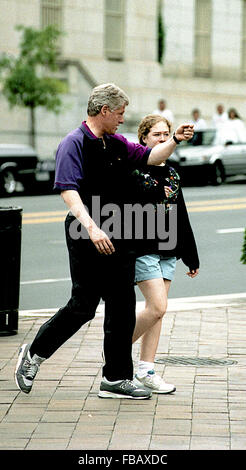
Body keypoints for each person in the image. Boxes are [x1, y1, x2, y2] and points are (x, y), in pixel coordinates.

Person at [15, 83, 194, 400]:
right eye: (121, 113)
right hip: (87, 233)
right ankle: (33, 355)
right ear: (105, 110)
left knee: (123, 306)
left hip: (122, 235)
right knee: (83, 306)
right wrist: (92, 227)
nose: (123, 120)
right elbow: (68, 189)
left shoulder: (116, 143)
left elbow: (152, 156)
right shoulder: (74, 143)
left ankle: (115, 378)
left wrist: (176, 140)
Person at [129, 114, 199, 393]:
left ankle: (146, 370)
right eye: (156, 135)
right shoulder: (134, 170)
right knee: (157, 306)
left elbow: (181, 214)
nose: (161, 138)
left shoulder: (172, 174)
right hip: (143, 249)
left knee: (156, 313)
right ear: (144, 139)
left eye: (164, 134)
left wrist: (190, 255)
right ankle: (116, 350)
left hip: (168, 250)